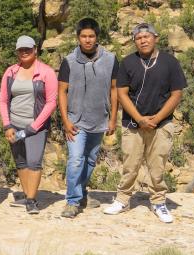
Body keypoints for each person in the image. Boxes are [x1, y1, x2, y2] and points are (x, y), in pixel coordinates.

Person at [102, 23, 186, 224]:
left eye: (147, 36)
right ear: (135, 41)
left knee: (157, 165)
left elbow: (176, 94)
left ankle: (158, 202)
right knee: (130, 164)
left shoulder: (170, 62)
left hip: (161, 123)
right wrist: (139, 119)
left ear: (155, 38)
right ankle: (123, 200)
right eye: (139, 38)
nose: (143, 40)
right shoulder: (128, 62)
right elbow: (122, 94)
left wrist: (156, 119)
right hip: (133, 123)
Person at [57, 18, 118, 218]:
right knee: (75, 159)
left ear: (97, 37)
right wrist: (66, 121)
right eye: (84, 36)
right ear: (78, 38)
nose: (88, 40)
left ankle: (82, 193)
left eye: (91, 36)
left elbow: (114, 89)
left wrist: (112, 118)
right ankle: (72, 201)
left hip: (99, 119)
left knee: (90, 160)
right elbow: (62, 92)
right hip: (75, 121)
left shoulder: (110, 59)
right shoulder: (69, 61)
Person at [0, 35, 58, 215]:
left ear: (35, 50)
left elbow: (51, 102)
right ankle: (26, 196)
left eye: (28, 49)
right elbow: (2, 100)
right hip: (14, 125)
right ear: (17, 52)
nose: (24, 52)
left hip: (36, 127)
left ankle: (32, 200)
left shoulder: (46, 72)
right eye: (21, 50)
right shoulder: (10, 72)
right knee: (21, 162)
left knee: (34, 162)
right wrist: (7, 125)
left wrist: (34, 126)